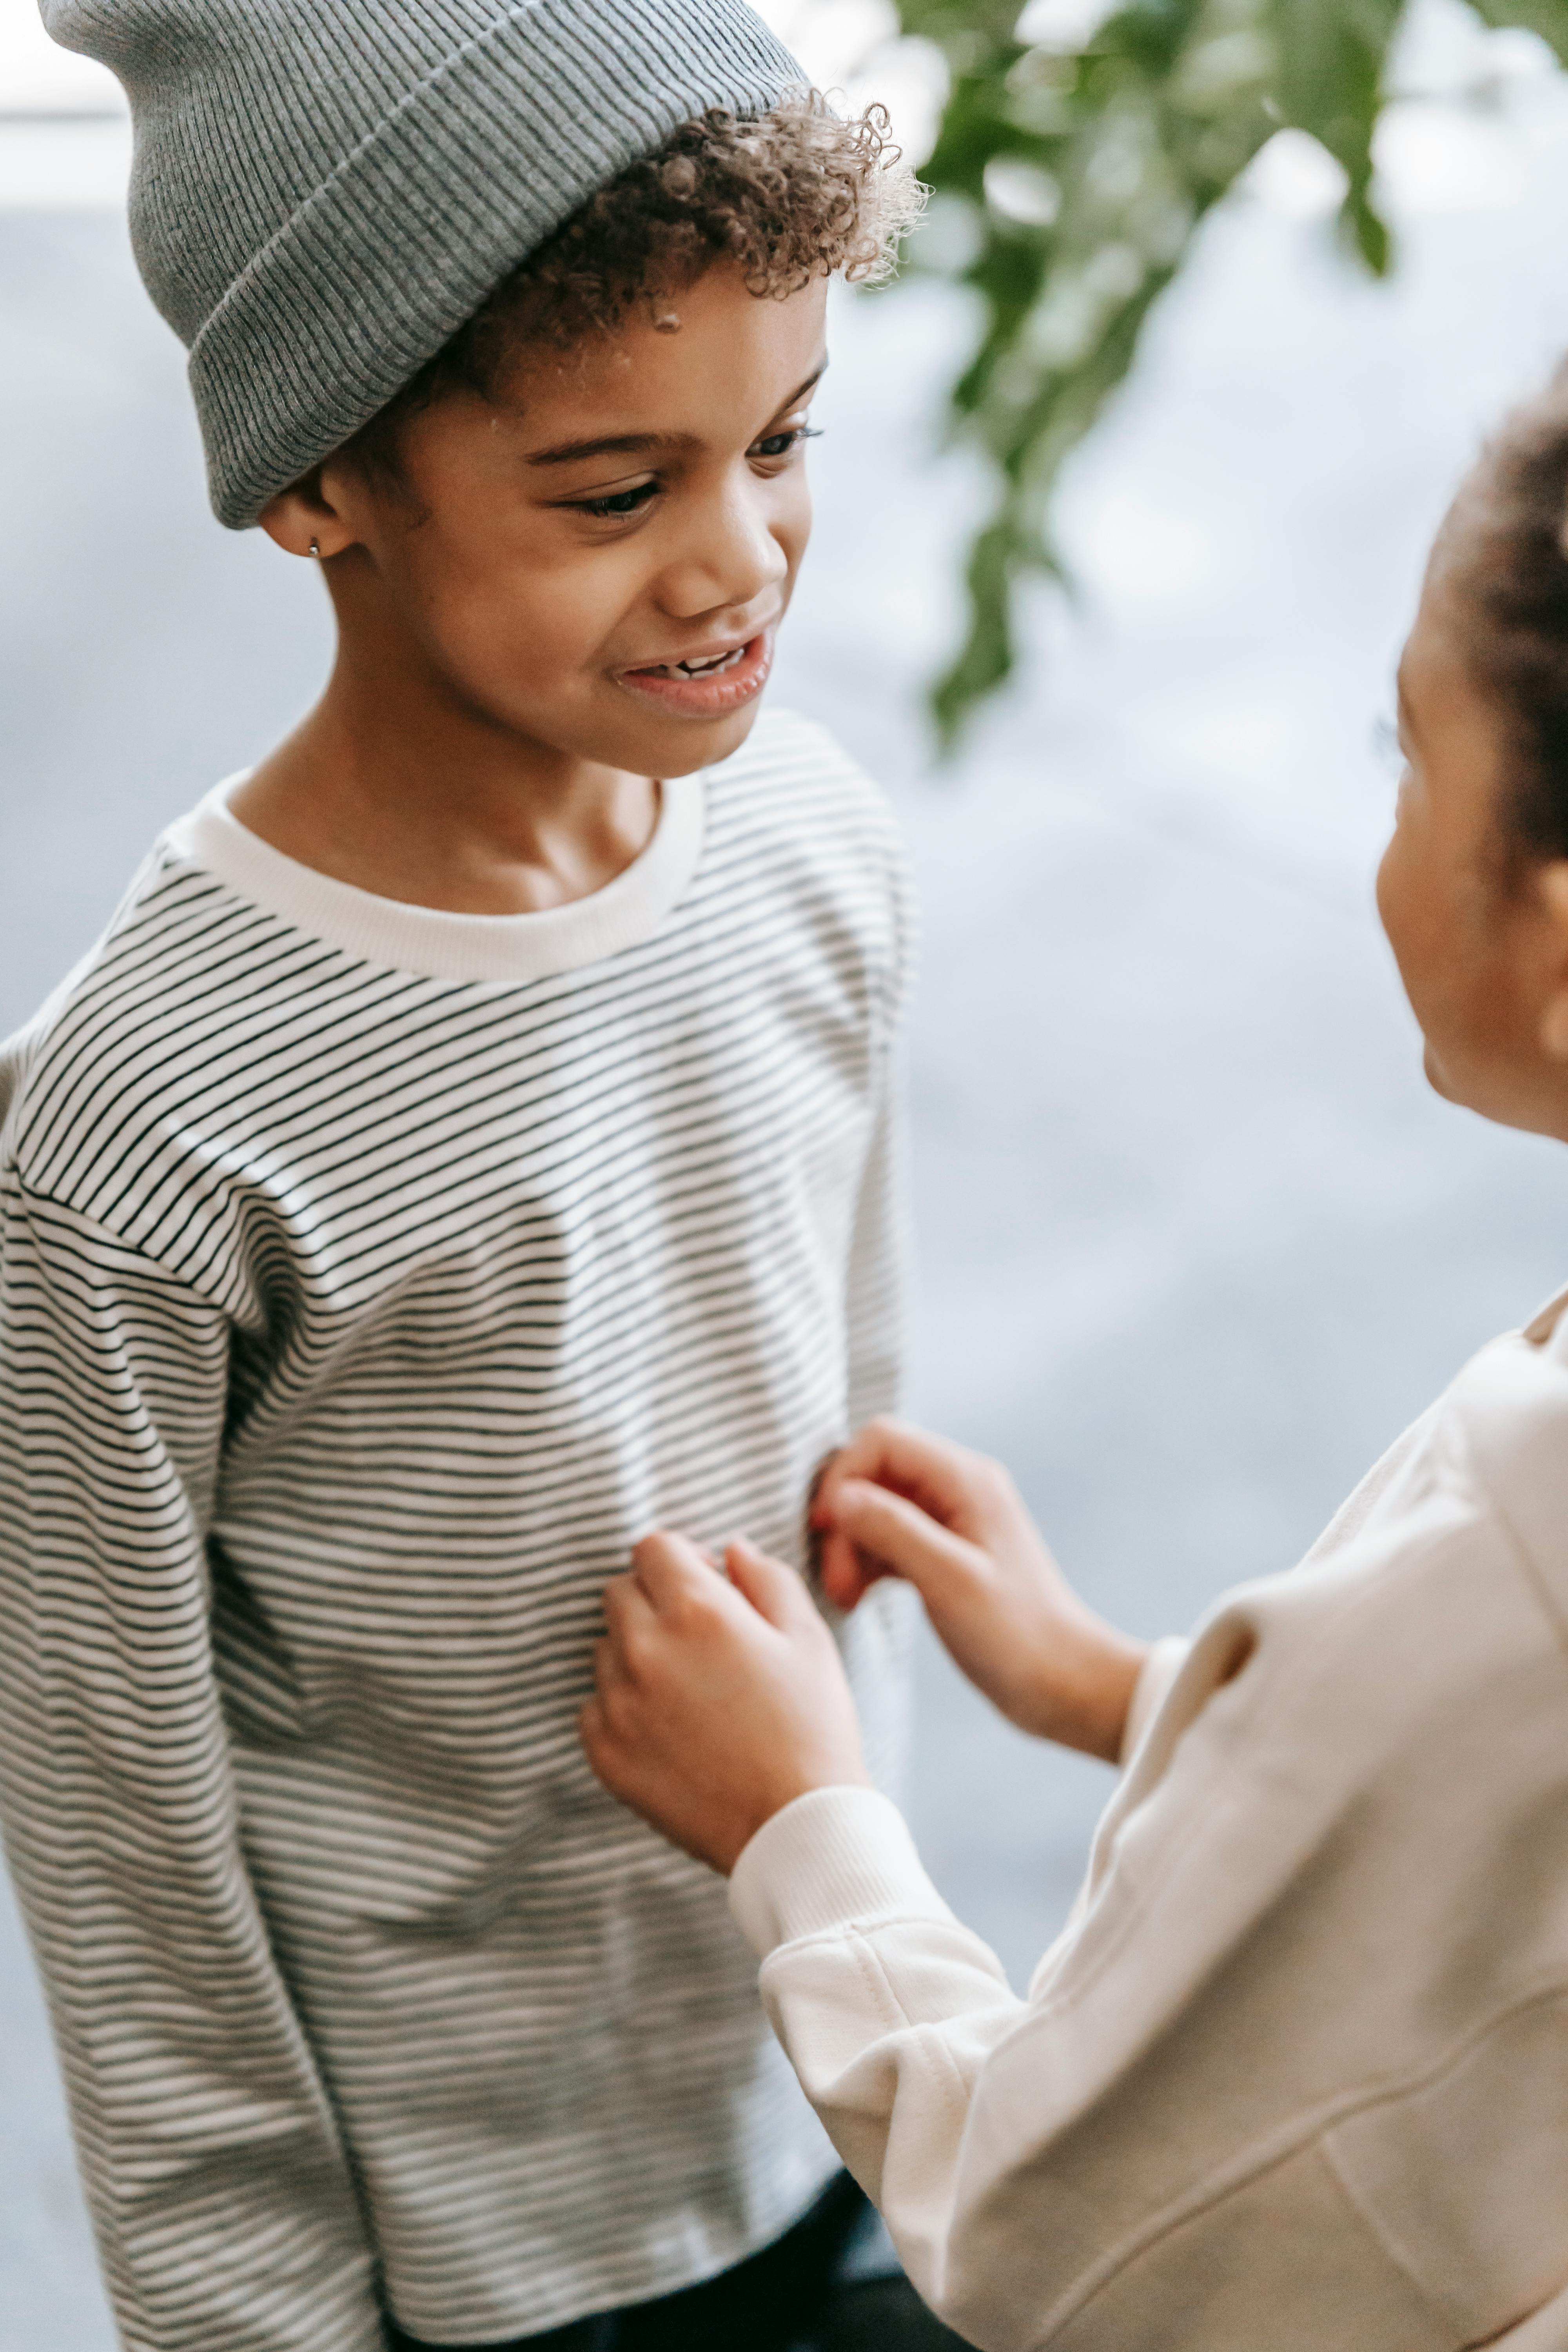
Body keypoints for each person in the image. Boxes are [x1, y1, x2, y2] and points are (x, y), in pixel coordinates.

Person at [0, 5, 952, 2349]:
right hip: (476, 2271)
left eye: (786, 438)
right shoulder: (129, 1132)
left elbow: (851, 1412)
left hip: (869, 2077)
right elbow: (125, 1850)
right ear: (324, 479)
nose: (741, 560)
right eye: (616, 494)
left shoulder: (815, 844)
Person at [580, 370, 1568, 2352]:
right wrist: (1143, 1690)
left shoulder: (1516, 1532)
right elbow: (1495, 1808)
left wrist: (804, 1823)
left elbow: (1048, 2238)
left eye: (1402, 755)